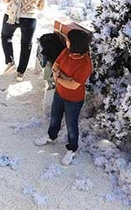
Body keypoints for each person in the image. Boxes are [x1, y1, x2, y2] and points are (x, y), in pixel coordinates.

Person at [34, 29, 93, 167]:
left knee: (71, 125)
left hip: (74, 100)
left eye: (68, 40)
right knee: (55, 117)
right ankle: (51, 136)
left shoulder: (85, 64)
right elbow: (56, 64)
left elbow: (73, 85)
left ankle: (72, 148)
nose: (66, 41)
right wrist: (61, 76)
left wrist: (58, 78)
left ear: (75, 44)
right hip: (60, 93)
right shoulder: (67, 52)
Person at [0, 0, 48, 81]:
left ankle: (10, 61)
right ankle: (20, 73)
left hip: (11, 15)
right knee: (26, 45)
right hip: (30, 19)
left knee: (6, 37)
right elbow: (41, 7)